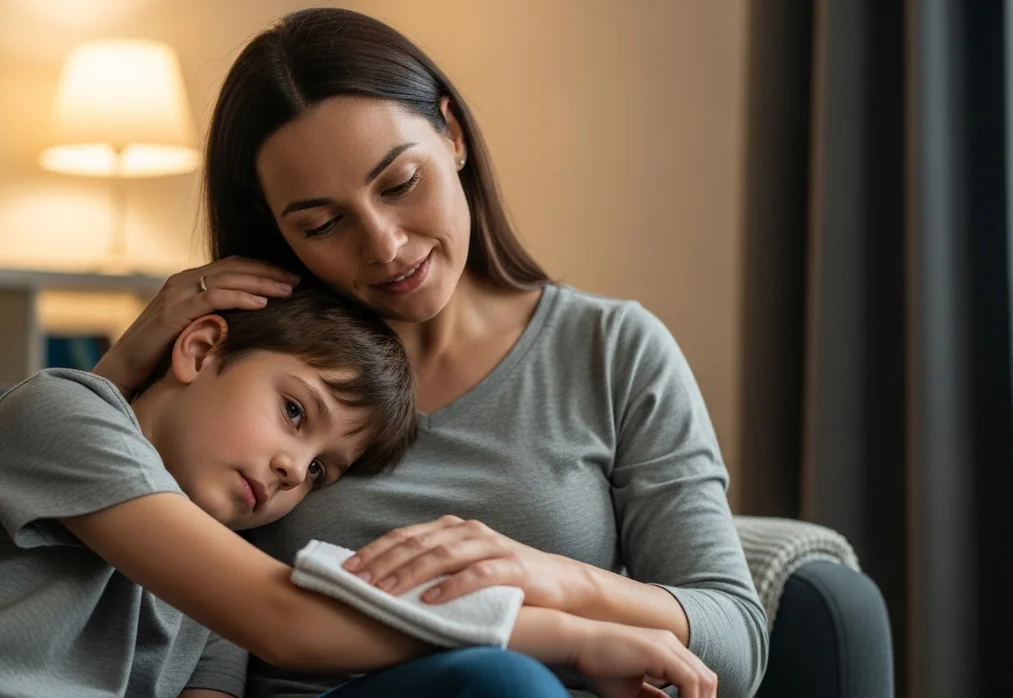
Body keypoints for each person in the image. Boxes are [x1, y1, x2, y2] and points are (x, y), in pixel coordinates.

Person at [96, 7, 765, 698]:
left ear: (452, 135)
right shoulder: (250, 374)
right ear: (279, 231)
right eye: (324, 224)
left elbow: (736, 642)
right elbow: (86, 516)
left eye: (399, 185)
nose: (384, 245)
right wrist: (122, 367)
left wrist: (552, 579)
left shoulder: (611, 350)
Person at [0, 291, 688, 698]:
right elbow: (286, 623)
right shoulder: (61, 414)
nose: (290, 474)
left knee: (494, 686)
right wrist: (576, 637)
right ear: (199, 349)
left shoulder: (214, 561)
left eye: (321, 473)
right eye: (294, 412)